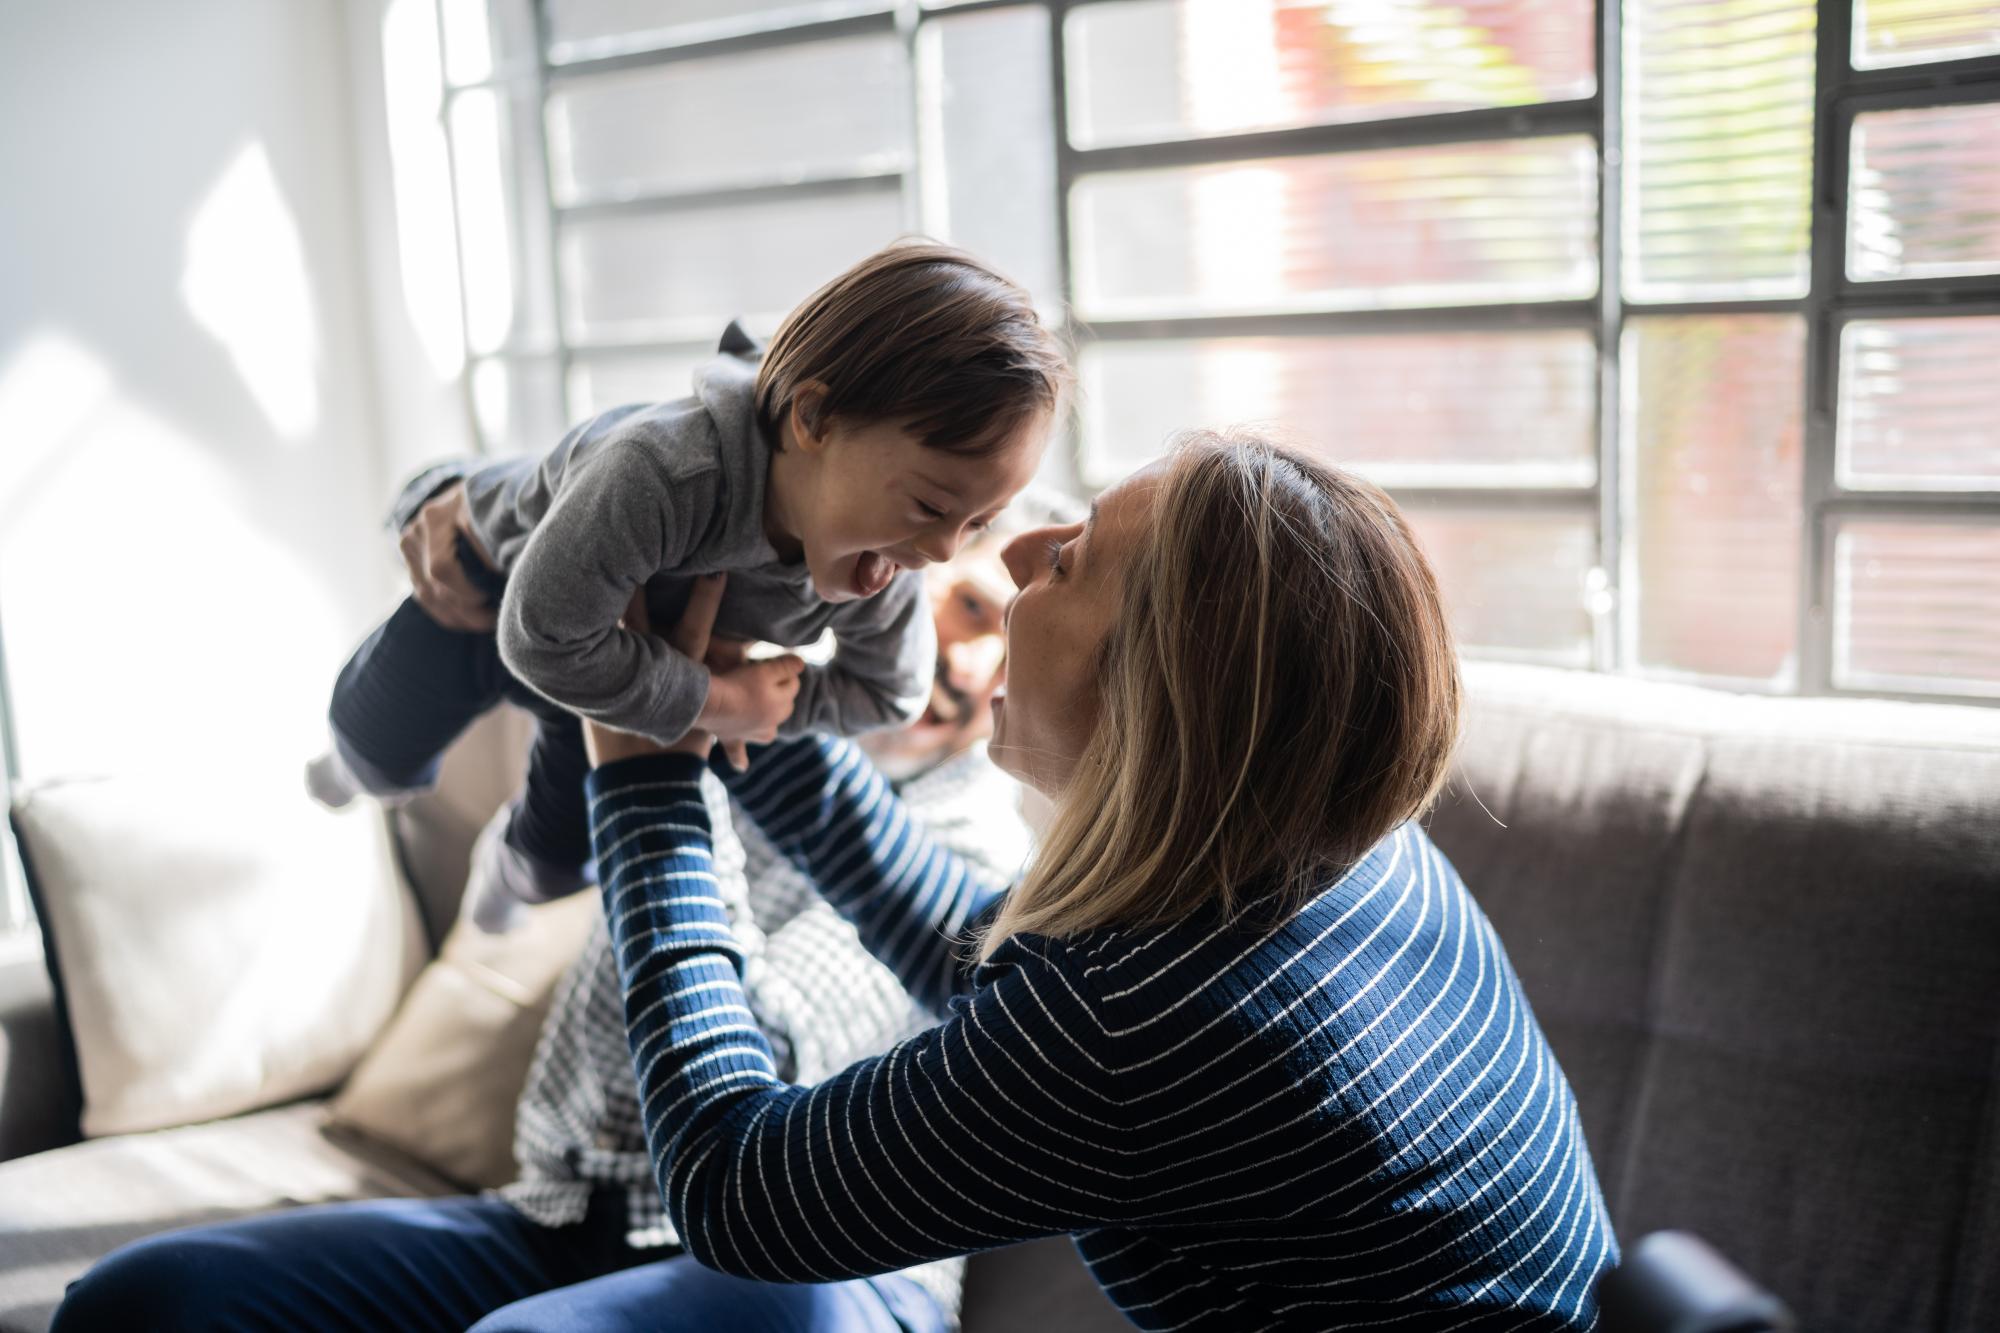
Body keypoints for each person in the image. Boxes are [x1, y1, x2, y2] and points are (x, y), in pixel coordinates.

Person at [578, 433, 1618, 1331]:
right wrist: (740, 701)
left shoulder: (1140, 1015)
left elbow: (736, 1191)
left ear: (1146, 702)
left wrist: (644, 777)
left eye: (1068, 563)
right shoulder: (1335, 846)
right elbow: (966, 946)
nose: (1020, 548)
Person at [50, 503, 1047, 1333]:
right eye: (965, 605)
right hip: (559, 1212)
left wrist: (669, 768)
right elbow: (560, 543)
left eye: (1001, 651)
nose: (967, 663)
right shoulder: (736, 689)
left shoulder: (972, 860)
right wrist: (473, 537)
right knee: (146, 1300)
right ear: (890, 581)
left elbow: (757, 1079)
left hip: (816, 1267)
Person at [308, 240, 1065, 933]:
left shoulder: (886, 562)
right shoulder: (664, 472)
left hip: (618, 676)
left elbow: (887, 691)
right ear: (814, 419)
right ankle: (345, 769)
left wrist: (765, 696)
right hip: (501, 590)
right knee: (377, 745)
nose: (937, 551)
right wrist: (718, 701)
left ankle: (505, 869)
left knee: (557, 861)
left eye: (974, 524)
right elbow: (539, 636)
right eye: (931, 506)